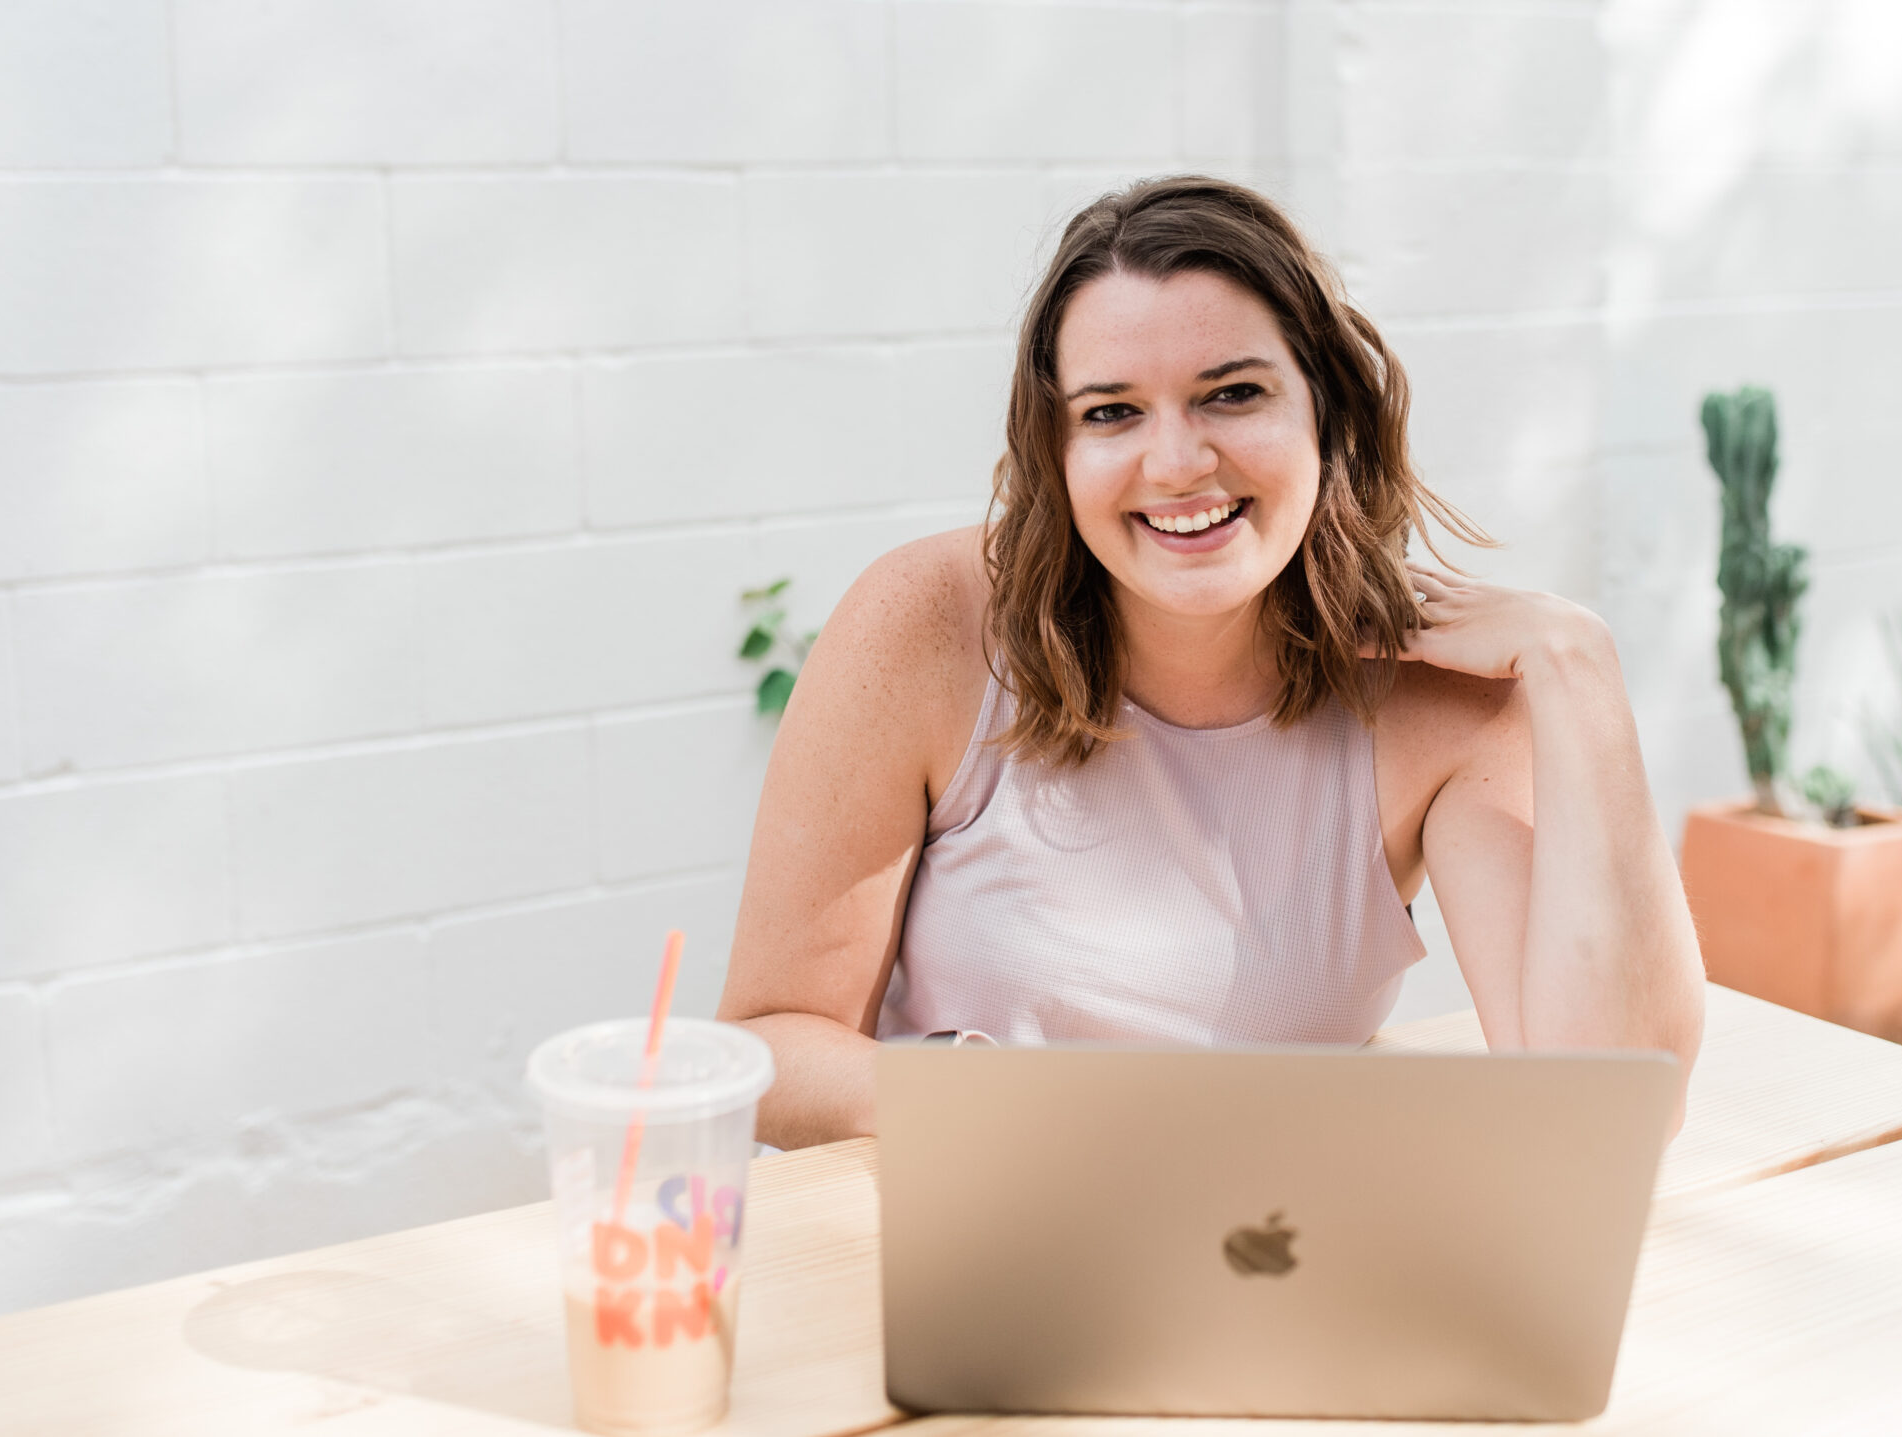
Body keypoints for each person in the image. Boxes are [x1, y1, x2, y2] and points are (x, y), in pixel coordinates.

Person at [719, 176, 1705, 1148]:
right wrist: (1013, 1103)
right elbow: (769, 1050)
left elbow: (1613, 1113)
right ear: (1053, 452)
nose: (1179, 462)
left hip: (1271, 1251)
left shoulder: (1440, 705)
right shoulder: (925, 622)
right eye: (1111, 412)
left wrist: (1577, 669)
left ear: (1327, 411)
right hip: (971, 1231)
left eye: (1232, 394)